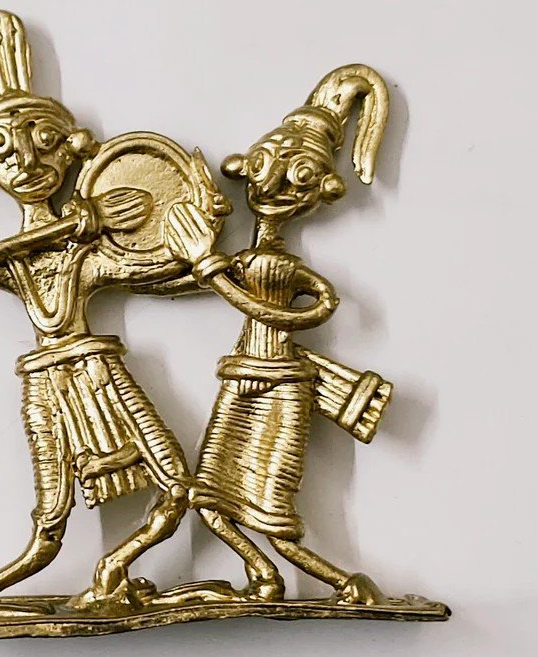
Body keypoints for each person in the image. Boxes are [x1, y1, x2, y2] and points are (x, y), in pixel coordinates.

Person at [0, 11, 222, 613]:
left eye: (43, 142)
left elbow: (156, 275)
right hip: (48, 386)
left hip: (101, 374)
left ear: (72, 149)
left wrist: (207, 254)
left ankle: (112, 568)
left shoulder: (87, 255)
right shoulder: (32, 255)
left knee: (178, 488)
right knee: (51, 518)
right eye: (3, 150)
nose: (26, 161)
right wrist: (84, 221)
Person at [164, 65, 391, 605]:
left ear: (325, 190)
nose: (272, 185)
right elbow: (178, 280)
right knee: (208, 502)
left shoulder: (285, 272)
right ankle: (263, 577)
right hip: (240, 381)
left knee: (272, 515)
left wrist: (209, 268)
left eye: (300, 176)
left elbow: (312, 313)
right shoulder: (237, 261)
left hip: (283, 388)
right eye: (265, 167)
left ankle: (345, 583)